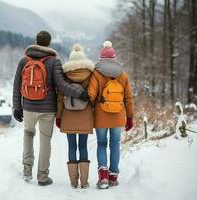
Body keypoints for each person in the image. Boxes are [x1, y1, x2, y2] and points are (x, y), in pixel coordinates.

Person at [12, 31, 90, 186]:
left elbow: (17, 85)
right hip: (47, 108)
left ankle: (27, 171)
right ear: (48, 43)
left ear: (36, 41)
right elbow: (61, 86)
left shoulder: (23, 61)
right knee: (45, 141)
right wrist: (80, 93)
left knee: (28, 135)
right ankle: (42, 176)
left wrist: (17, 107)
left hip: (28, 106)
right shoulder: (54, 61)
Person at [88, 40, 134, 189]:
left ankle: (103, 179)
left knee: (102, 144)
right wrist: (130, 117)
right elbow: (128, 98)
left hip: (101, 116)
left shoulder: (96, 73)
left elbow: (91, 95)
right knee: (115, 145)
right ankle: (113, 178)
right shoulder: (123, 74)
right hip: (118, 116)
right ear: (114, 57)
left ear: (101, 58)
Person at [55, 44, 94, 189]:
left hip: (68, 115)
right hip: (85, 116)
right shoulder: (90, 75)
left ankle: (73, 182)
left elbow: (59, 97)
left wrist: (59, 117)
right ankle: (84, 182)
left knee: (72, 146)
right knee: (83, 146)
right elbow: (93, 96)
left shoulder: (65, 76)